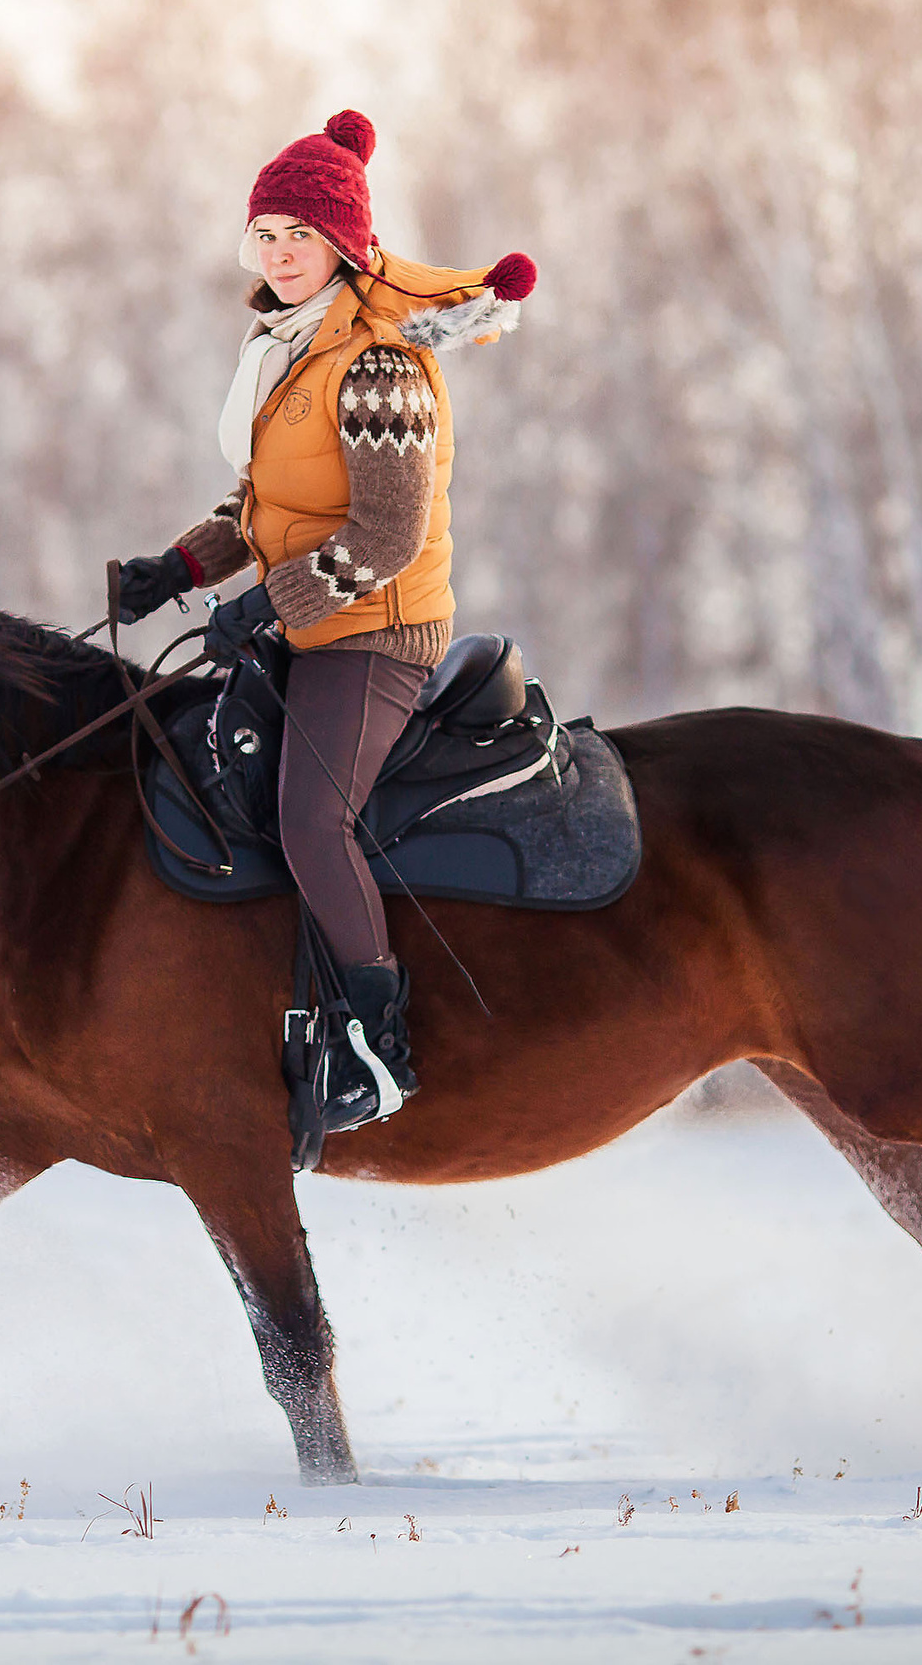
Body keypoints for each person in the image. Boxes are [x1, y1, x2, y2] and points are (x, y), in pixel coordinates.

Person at [110, 109, 535, 1114]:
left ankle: (374, 1036)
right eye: (266, 233)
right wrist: (176, 568)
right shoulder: (285, 351)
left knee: (310, 819)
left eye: (301, 235)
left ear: (344, 246)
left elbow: (383, 536)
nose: (281, 252)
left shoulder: (378, 363)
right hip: (305, 617)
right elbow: (269, 508)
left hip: (375, 634)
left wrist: (263, 606)